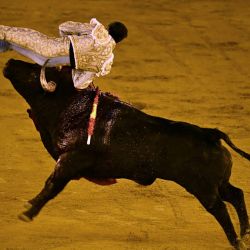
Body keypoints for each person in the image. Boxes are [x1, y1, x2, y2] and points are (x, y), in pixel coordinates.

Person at [0, 18, 128, 91]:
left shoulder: (97, 32)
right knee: (10, 44)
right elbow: (79, 83)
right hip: (48, 63)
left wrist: (72, 40)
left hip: (46, 46)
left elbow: (64, 27)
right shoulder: (106, 61)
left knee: (7, 33)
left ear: (109, 28)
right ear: (119, 40)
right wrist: (76, 64)